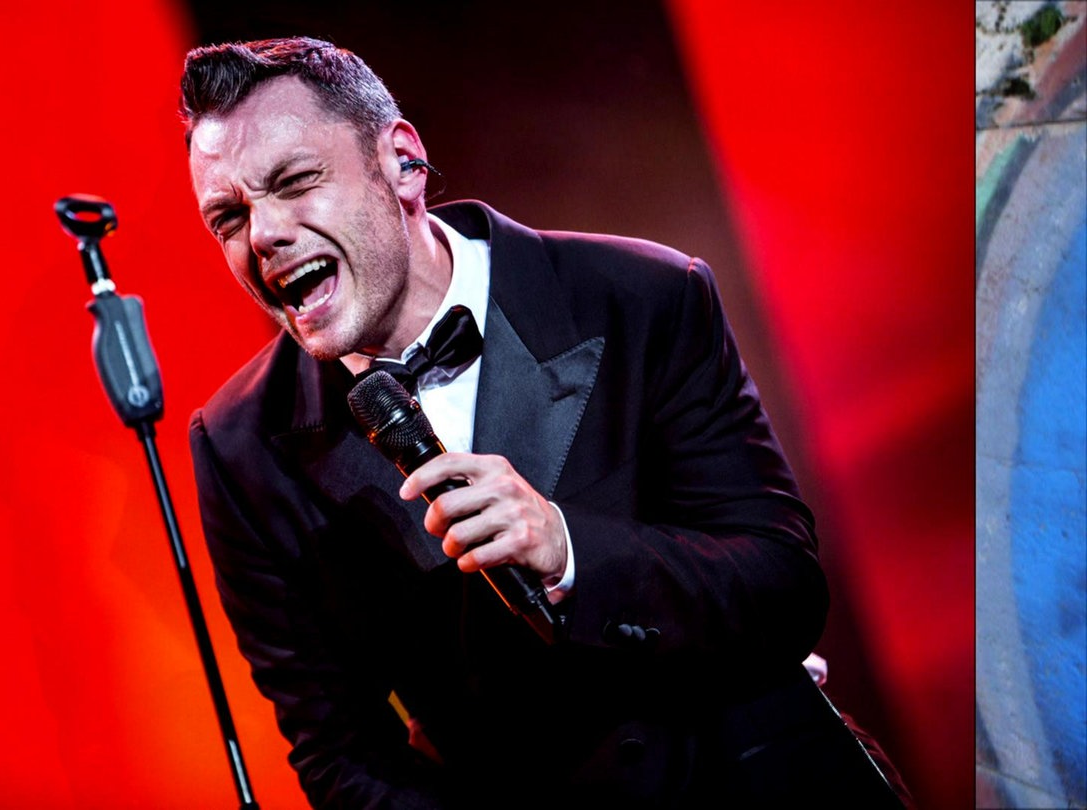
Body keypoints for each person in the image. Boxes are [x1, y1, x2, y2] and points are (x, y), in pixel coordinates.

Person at [181, 37, 906, 808]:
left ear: (401, 162)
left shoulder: (639, 295)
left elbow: (781, 586)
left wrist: (568, 549)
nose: (263, 235)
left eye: (295, 182)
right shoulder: (240, 447)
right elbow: (339, 753)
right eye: (229, 218)